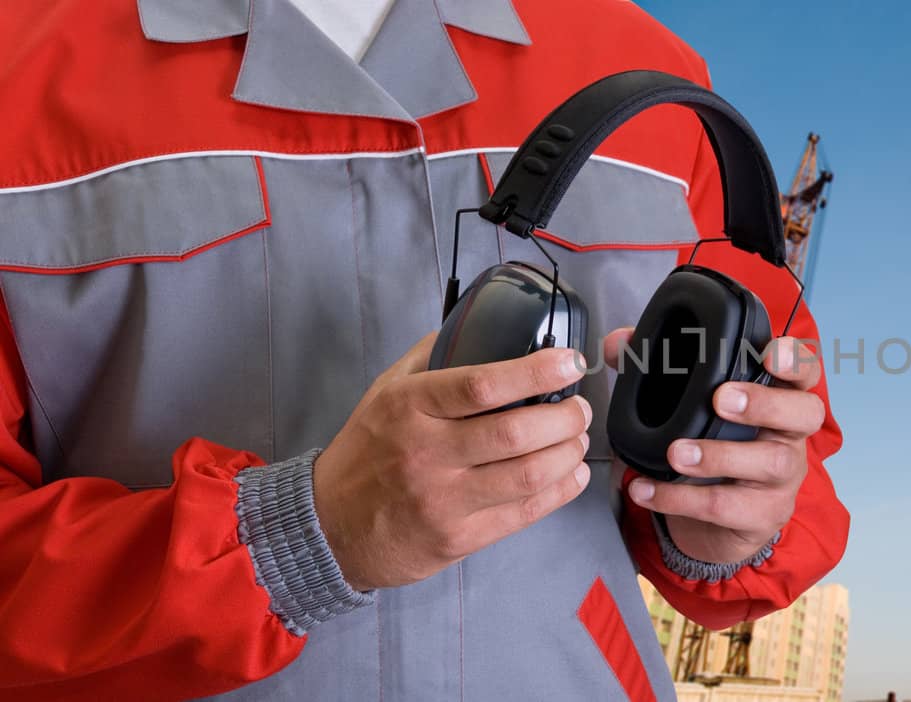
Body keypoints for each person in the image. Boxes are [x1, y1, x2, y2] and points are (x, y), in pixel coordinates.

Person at [0, 1, 849, 699]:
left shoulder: (648, 72)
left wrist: (729, 521)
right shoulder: (19, 64)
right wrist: (298, 539)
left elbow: (790, 469)